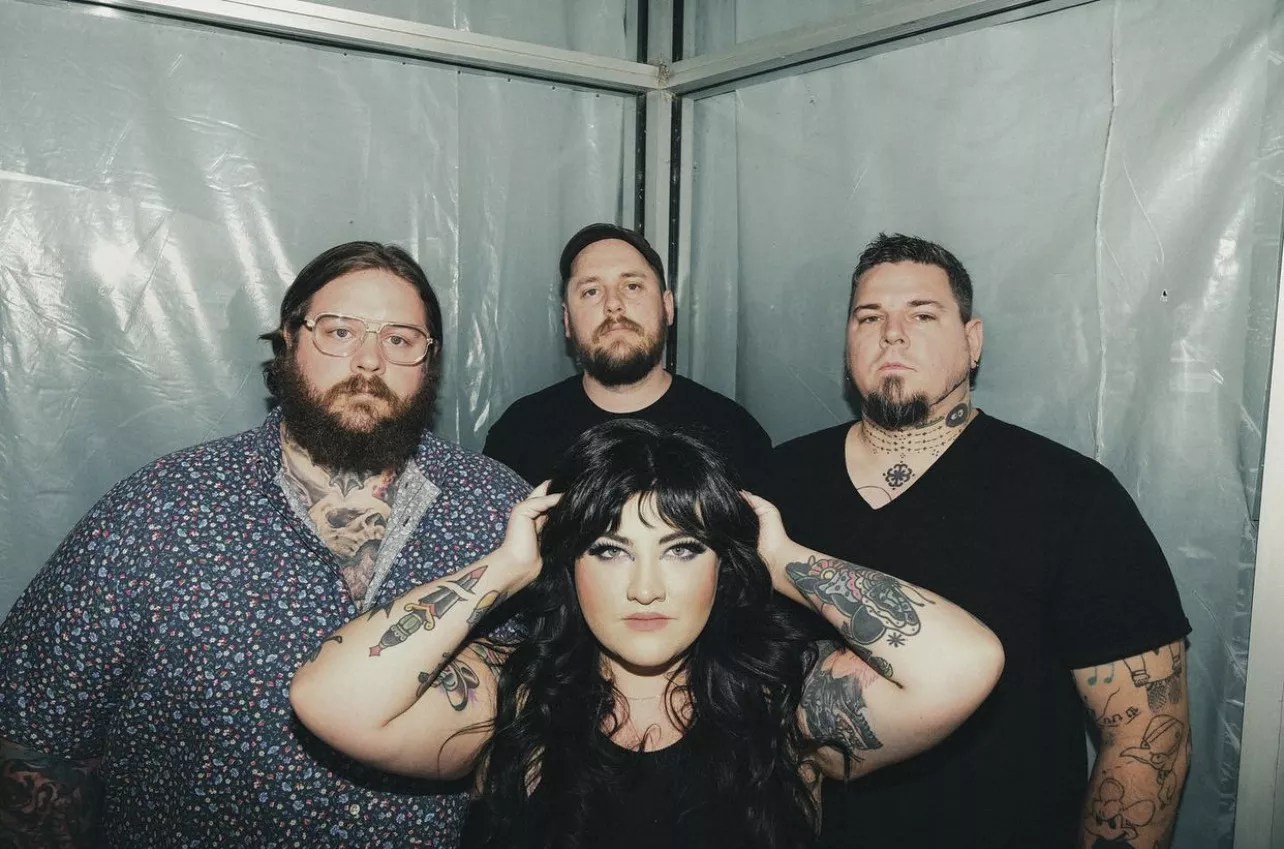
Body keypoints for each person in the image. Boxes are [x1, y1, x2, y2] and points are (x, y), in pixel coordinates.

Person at [0, 242, 529, 848]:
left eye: (401, 339)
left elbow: (554, 710)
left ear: (428, 363)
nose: (369, 360)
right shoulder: (161, 510)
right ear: (289, 342)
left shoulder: (493, 508)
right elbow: (32, 737)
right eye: (339, 331)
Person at [290, 419, 1005, 848]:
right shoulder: (514, 695)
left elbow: (965, 662)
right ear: (568, 564)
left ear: (723, 563)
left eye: (682, 549)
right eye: (609, 549)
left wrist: (785, 559)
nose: (645, 587)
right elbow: (331, 701)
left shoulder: (784, 700)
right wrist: (503, 569)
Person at [767, 233, 1192, 849]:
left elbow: (1148, 740)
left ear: (973, 342)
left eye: (923, 314)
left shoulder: (1070, 496)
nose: (892, 334)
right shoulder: (774, 484)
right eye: (869, 317)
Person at [483, 223, 771, 485]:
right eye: (591, 291)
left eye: (632, 286)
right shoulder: (518, 434)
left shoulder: (735, 434)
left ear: (667, 307)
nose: (613, 304)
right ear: (567, 320)